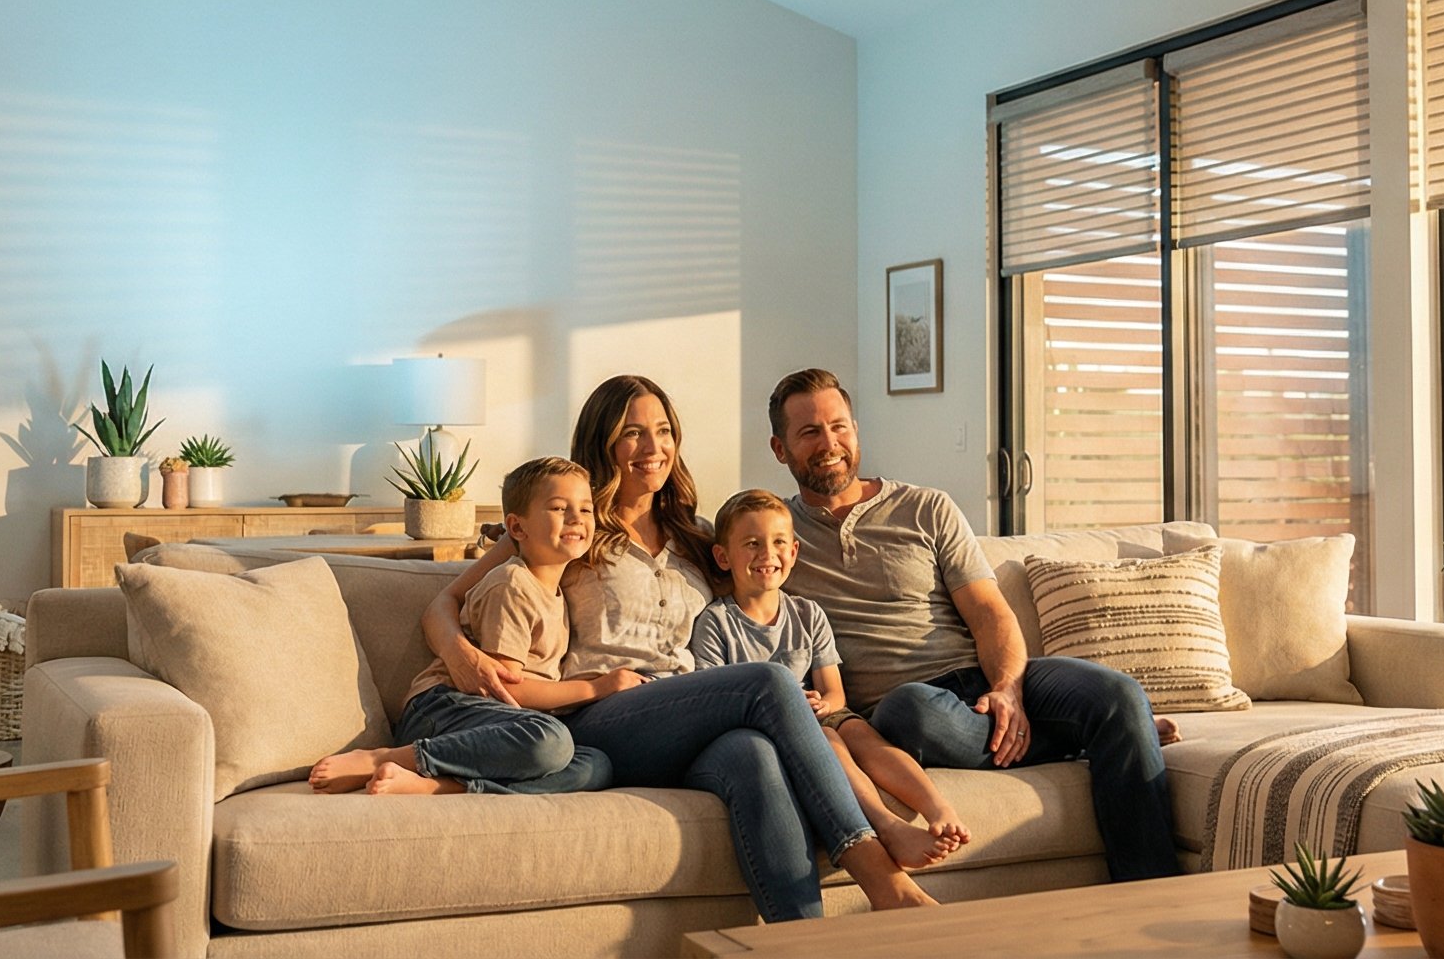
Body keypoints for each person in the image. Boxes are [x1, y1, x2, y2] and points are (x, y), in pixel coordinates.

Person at [417, 375, 935, 922]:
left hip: (689, 719)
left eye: (663, 431)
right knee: (768, 680)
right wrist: (460, 655)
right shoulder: (573, 524)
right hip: (602, 716)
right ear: (604, 442)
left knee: (753, 755)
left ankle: (799, 940)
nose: (653, 447)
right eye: (633, 433)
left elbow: (765, 597)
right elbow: (442, 603)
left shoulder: (698, 535)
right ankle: (883, 878)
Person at [766, 367, 1183, 883]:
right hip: (912, 709)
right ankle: (1096, 738)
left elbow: (989, 612)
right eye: (809, 432)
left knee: (1118, 694)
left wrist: (1009, 688)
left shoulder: (925, 507)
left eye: (840, 427)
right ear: (780, 449)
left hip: (984, 680)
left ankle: (1152, 890)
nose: (829, 443)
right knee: (908, 708)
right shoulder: (773, 538)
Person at [690, 488, 970, 870]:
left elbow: (834, 691)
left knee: (858, 733)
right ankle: (887, 826)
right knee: (829, 738)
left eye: (777, 543)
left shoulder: (808, 614)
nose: (766, 554)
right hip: (767, 729)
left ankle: (938, 808)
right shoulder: (715, 623)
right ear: (723, 556)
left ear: (794, 552)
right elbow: (712, 702)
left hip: (821, 714)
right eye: (751, 543)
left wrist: (825, 704)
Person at [308, 456, 616, 796]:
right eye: (559, 508)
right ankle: (391, 757)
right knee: (552, 740)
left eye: (586, 509)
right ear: (516, 528)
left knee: (595, 765)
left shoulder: (555, 594)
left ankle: (440, 786)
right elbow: (507, 689)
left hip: (493, 729)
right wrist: (598, 688)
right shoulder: (512, 583)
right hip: (445, 710)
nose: (576, 518)